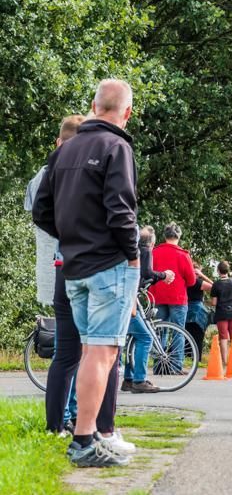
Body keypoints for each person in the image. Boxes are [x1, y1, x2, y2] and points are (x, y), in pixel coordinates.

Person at [33, 79, 139, 467]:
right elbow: (121, 210)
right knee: (102, 351)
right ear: (126, 112)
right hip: (108, 265)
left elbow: (41, 209)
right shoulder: (117, 147)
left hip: (73, 267)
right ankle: (83, 440)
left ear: (94, 105)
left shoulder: (64, 150)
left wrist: (71, 236)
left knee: (84, 352)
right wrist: (132, 255)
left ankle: (90, 431)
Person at [25, 114, 85, 306]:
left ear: (58, 142)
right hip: (77, 261)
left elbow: (35, 213)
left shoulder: (40, 176)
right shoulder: (83, 175)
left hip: (50, 263)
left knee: (63, 323)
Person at [122, 226, 175, 393]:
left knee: (133, 338)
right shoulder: (145, 251)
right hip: (128, 299)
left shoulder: (135, 250)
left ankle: (129, 379)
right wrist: (164, 275)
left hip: (129, 297)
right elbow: (146, 272)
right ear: (152, 243)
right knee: (145, 337)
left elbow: (143, 276)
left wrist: (158, 278)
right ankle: (139, 380)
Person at [150, 222, 196, 370]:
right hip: (178, 297)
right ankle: (175, 366)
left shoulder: (155, 252)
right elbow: (192, 280)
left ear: (165, 235)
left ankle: (159, 366)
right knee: (178, 332)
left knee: (159, 331)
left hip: (158, 296)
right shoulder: (183, 255)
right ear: (179, 235)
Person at [210, 261, 232, 363]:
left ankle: (225, 361)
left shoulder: (216, 284)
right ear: (228, 270)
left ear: (218, 271)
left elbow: (214, 302)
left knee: (223, 337)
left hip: (221, 313)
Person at [186, 263, 213, 359]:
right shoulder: (198, 282)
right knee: (198, 335)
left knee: (187, 334)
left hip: (186, 309)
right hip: (197, 311)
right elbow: (215, 288)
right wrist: (203, 276)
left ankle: (187, 357)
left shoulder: (185, 282)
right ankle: (197, 357)